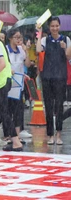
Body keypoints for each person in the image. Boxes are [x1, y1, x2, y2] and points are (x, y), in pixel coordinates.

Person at [36, 16, 71, 145]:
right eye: (52, 26)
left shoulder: (66, 39)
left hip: (61, 77)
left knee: (59, 107)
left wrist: (64, 47)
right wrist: (39, 35)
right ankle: (50, 135)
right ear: (49, 27)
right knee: (49, 107)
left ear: (59, 26)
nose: (55, 28)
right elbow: (39, 50)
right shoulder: (45, 40)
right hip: (47, 77)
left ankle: (59, 134)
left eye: (57, 26)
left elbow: (68, 56)